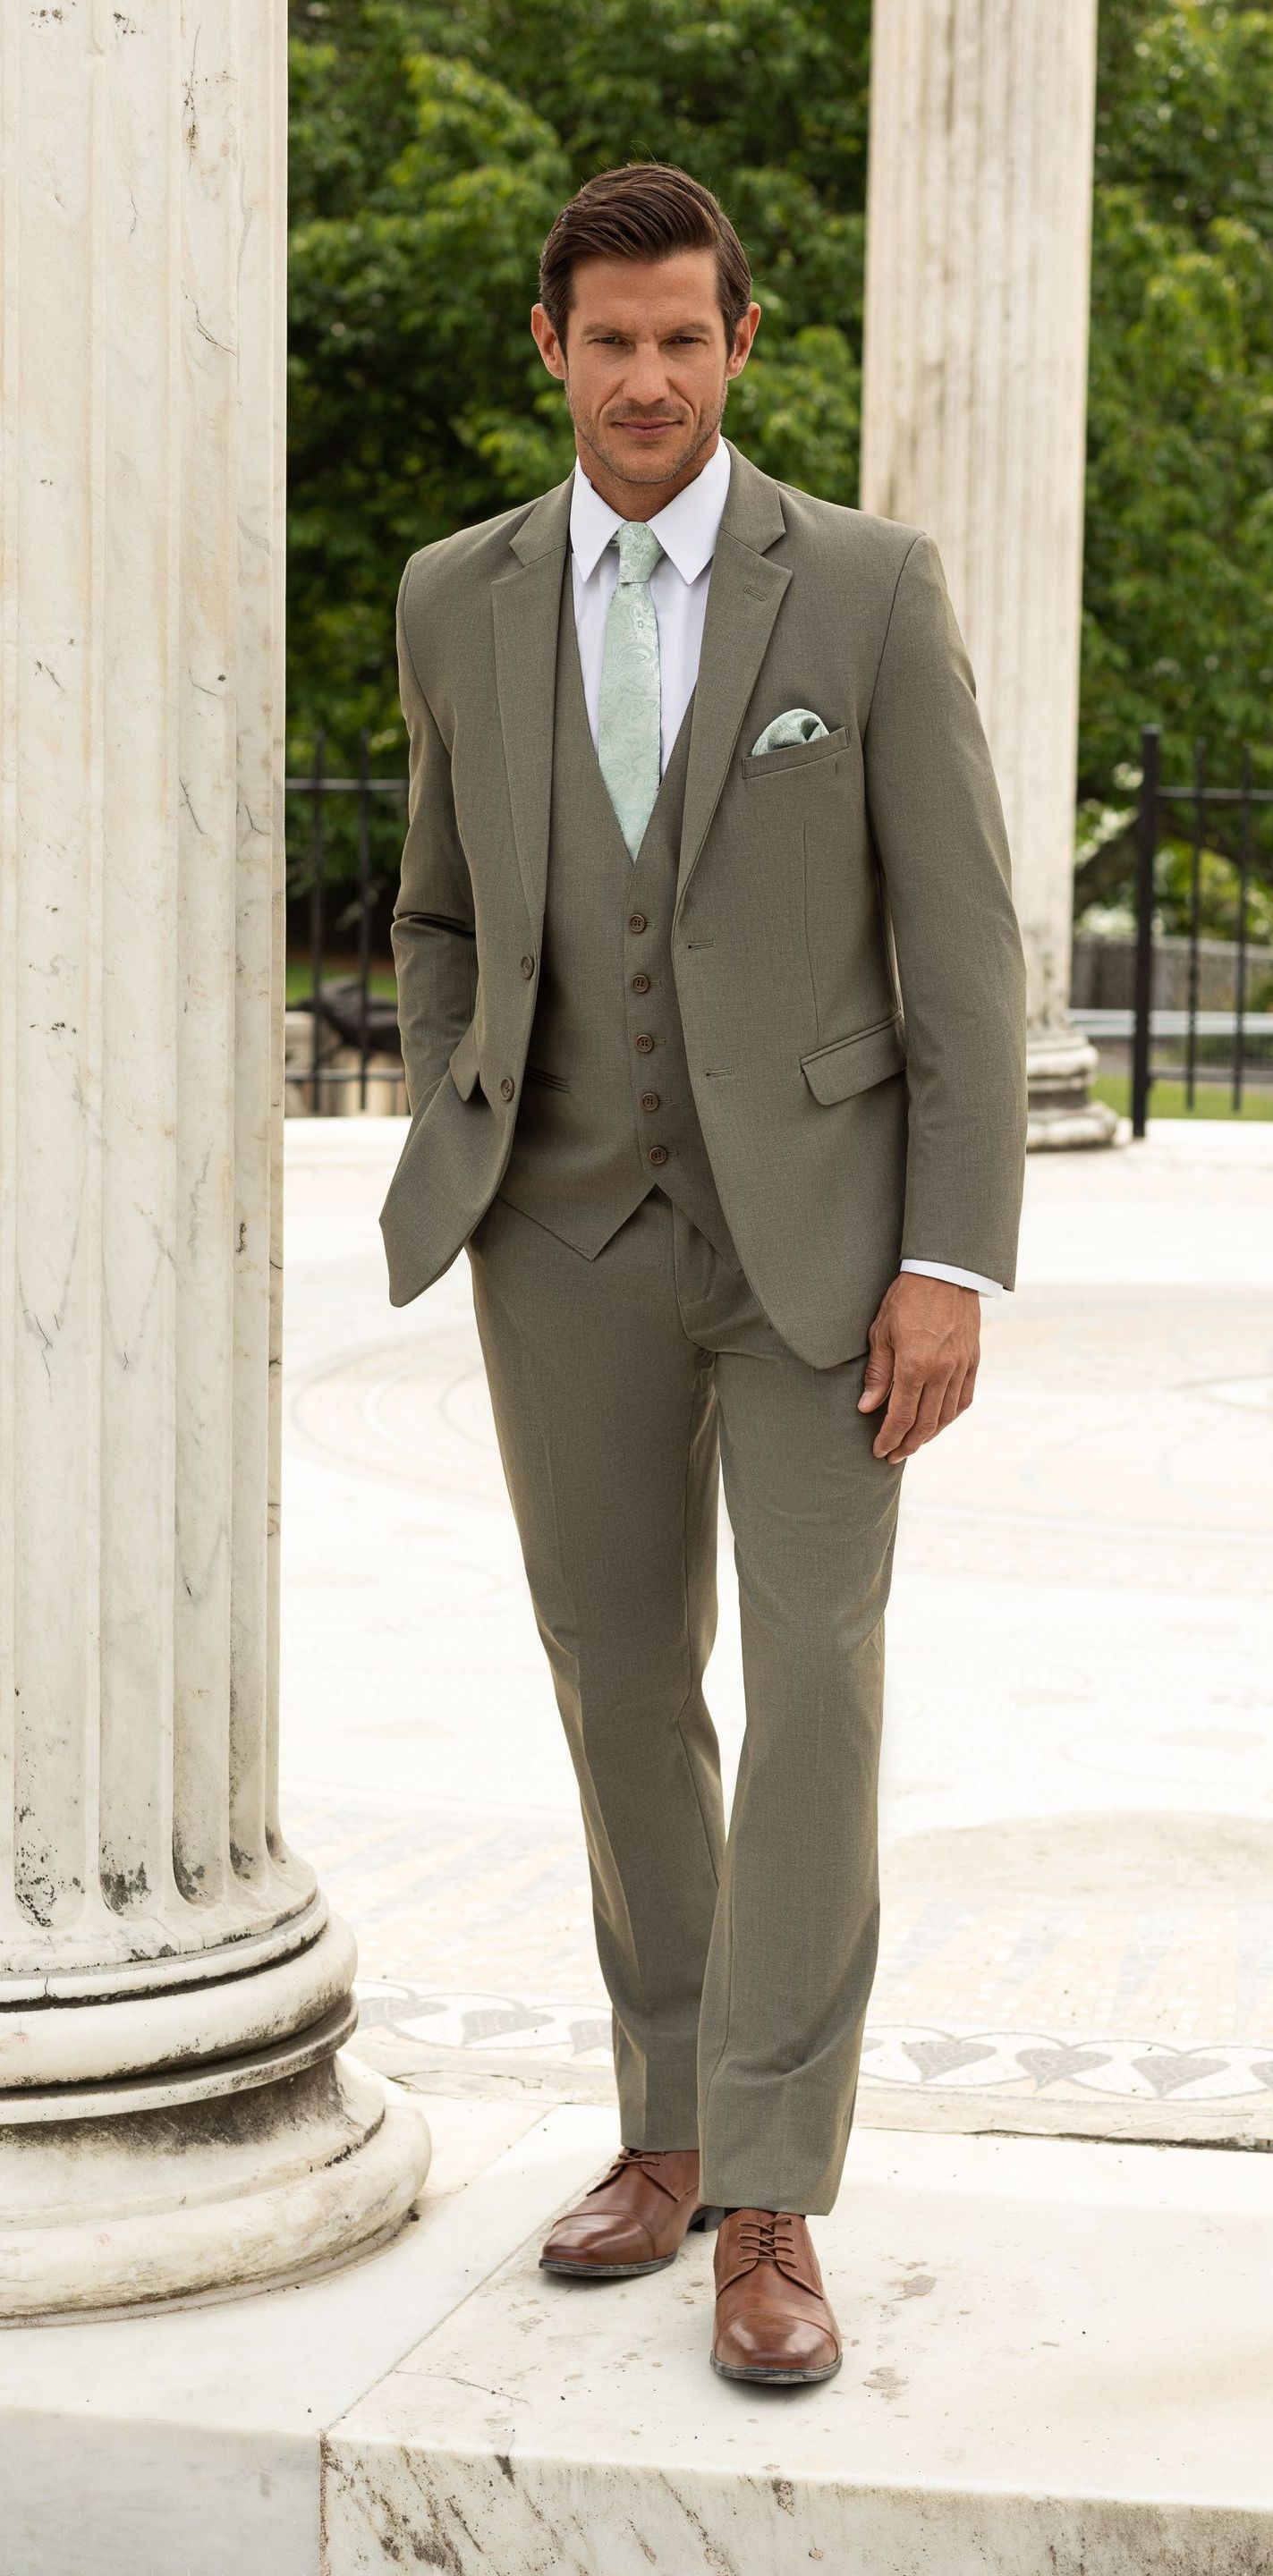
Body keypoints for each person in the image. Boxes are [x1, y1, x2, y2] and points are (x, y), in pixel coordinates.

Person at [379, 161, 1027, 2385]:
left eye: (683, 338)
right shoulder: (453, 596)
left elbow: (962, 948)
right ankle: (658, 2125)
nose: (646, 378)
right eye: (610, 341)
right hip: (558, 1231)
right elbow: (436, 902)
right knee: (617, 1678)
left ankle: (769, 2194)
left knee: (815, 1686)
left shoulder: (861, 585)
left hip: (825, 1243)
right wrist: (461, 1101)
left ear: (740, 343)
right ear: (548, 349)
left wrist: (947, 1257)